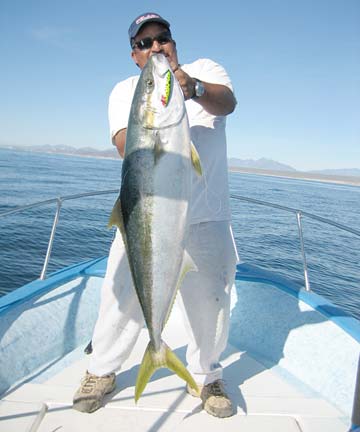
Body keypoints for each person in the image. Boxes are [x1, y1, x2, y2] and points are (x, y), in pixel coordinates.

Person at [73, 12, 238, 418]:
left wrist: (191, 89)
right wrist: (158, 115)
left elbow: (228, 103)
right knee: (120, 299)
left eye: (161, 37)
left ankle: (209, 376)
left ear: (173, 41)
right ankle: (102, 370)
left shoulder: (205, 71)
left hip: (207, 216)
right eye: (144, 43)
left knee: (211, 305)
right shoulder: (127, 90)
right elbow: (125, 144)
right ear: (134, 55)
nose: (155, 46)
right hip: (145, 215)